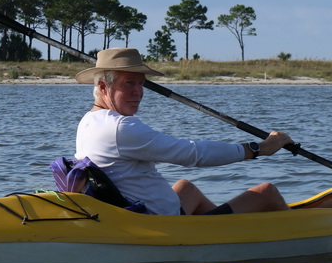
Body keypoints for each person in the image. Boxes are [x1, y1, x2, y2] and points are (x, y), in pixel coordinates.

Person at [74, 47, 295, 215]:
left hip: (144, 211)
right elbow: (193, 154)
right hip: (159, 223)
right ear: (103, 87)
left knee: (186, 188)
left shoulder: (88, 121)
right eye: (129, 83)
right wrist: (259, 148)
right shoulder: (120, 127)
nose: (138, 92)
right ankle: (293, 238)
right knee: (266, 191)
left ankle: (223, 233)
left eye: (141, 84)